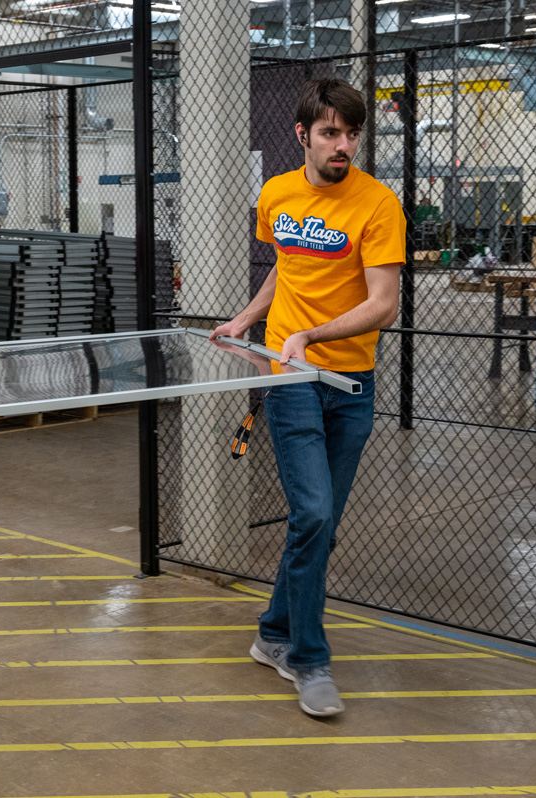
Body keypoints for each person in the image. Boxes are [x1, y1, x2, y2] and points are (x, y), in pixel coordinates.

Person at [211, 78, 405, 717]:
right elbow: (286, 267)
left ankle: (271, 633)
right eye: (330, 134)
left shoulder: (378, 205)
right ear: (302, 136)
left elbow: (383, 304)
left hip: (349, 383)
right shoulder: (276, 193)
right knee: (315, 514)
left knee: (317, 523)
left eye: (351, 134)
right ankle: (308, 658)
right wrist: (246, 320)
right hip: (290, 379)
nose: (342, 145)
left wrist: (310, 334)